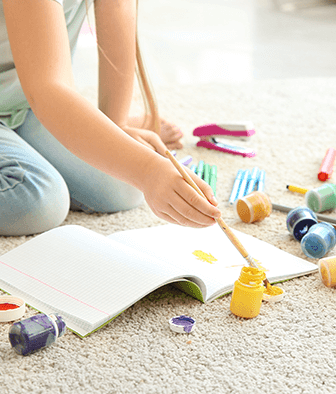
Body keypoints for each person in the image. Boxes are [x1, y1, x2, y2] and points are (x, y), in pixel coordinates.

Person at [0, 0, 220, 236]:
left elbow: (116, 6)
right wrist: (148, 170)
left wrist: (117, 123)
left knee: (123, 185)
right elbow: (48, 89)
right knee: (38, 201)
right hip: (39, 96)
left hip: (23, 103)